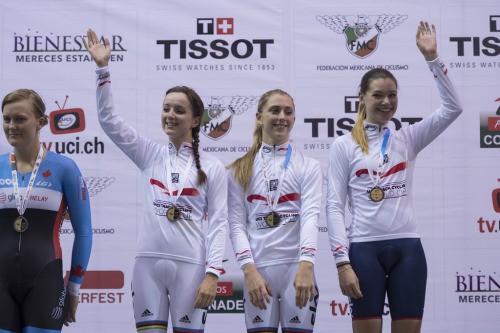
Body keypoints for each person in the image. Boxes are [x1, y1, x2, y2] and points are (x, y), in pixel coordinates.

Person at [83, 29, 227, 333]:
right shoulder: (149, 154)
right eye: (166, 108)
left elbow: (218, 224)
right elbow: (109, 121)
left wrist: (213, 274)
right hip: (146, 265)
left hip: (191, 266)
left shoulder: (212, 167)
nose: (170, 115)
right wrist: (102, 69)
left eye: (179, 110)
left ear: (196, 120)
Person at [326, 21, 463, 333]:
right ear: (361, 96)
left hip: (408, 249)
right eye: (378, 95)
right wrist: (342, 263)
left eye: (392, 95)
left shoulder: (408, 138)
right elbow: (333, 208)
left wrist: (432, 58)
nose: (386, 102)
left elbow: (453, 108)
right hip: (363, 250)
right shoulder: (343, 146)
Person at [227, 89, 322, 333]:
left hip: (297, 270)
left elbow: (311, 217)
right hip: (258, 272)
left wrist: (306, 265)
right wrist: (249, 272)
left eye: (288, 112)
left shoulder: (309, 165)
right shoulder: (239, 169)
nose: (282, 117)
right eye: (275, 110)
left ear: (294, 119)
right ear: (259, 117)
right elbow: (236, 225)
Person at [0, 89, 92, 333]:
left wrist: (73, 289)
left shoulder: (64, 168)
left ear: (41, 122)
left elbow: (84, 233)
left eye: (20, 119)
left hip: (45, 280)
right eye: (6, 118)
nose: (11, 126)